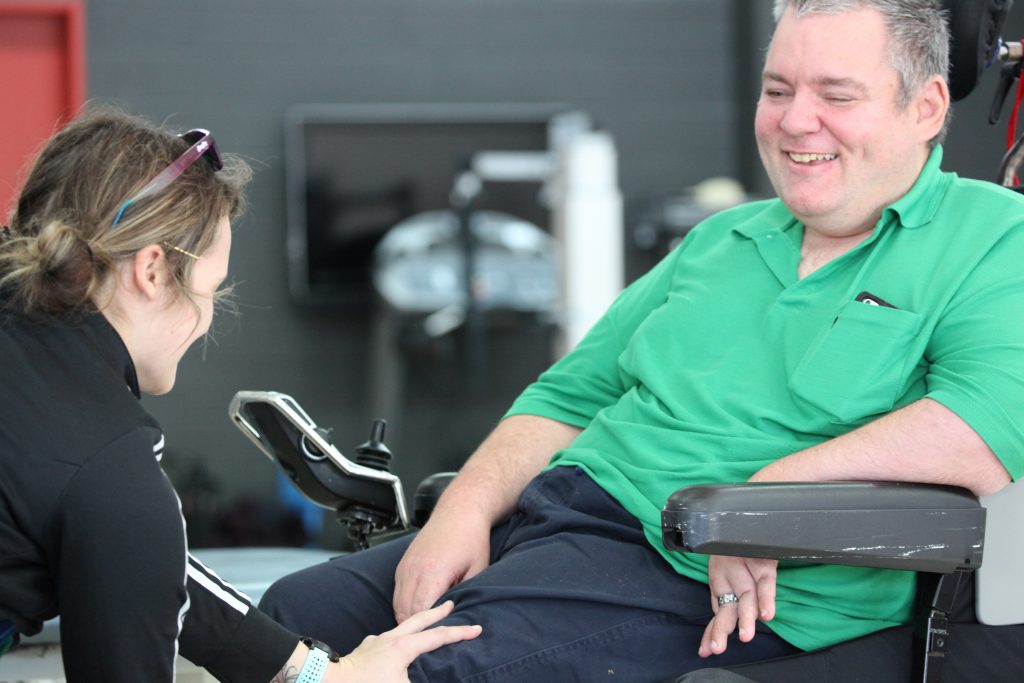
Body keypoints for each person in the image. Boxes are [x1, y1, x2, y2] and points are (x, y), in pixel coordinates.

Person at [259, 0, 1024, 680]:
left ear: (925, 108)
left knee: (442, 670)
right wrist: (464, 508)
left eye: (836, 94)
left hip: (705, 582)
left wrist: (765, 500)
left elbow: (981, 428)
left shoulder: (994, 238)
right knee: (294, 618)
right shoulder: (723, 237)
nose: (795, 120)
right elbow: (566, 395)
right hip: (558, 521)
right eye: (778, 89)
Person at [0, 108, 481, 683]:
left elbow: (145, 566)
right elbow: (128, 534)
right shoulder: (105, 466)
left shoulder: (48, 400)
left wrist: (319, 676)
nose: (205, 321)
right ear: (152, 271)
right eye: (211, 290)